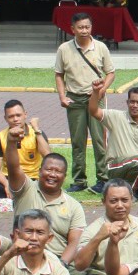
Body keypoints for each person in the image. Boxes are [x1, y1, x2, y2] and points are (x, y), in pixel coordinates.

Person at [3, 126, 82, 264]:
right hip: (24, 259)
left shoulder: (74, 206)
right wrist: (11, 142)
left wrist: (60, 267)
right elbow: (13, 167)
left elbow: (75, 242)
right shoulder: (25, 189)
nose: (52, 174)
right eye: (48, 169)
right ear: (39, 171)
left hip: (58, 263)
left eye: (58, 171)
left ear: (64, 176)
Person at [54, 12, 116, 192]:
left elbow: (110, 72)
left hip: (95, 98)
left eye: (87, 27)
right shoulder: (64, 49)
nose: (84, 31)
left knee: (99, 141)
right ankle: (79, 180)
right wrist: (62, 96)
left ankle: (103, 179)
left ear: (91, 27)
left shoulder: (101, 47)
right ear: (72, 29)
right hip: (74, 99)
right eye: (80, 27)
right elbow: (59, 74)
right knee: (77, 142)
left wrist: (102, 89)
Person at [0, 100, 45, 200]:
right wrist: (7, 185)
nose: (15, 119)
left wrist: (37, 130)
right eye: (11, 116)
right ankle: (21, 198)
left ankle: (14, 199)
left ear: (25, 115)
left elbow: (48, 156)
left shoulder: (36, 133)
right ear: (5, 118)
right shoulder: (0, 137)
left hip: (31, 179)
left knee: (43, 185)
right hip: (9, 178)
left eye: (18, 115)